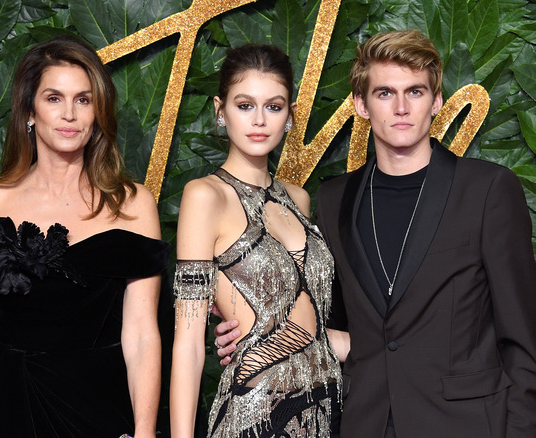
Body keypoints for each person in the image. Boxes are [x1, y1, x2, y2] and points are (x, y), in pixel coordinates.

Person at [216, 30, 536, 437]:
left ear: (436, 101)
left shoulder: (487, 189)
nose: (401, 108)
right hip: (363, 421)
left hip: (465, 424)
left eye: (415, 92)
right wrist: (250, 322)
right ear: (360, 105)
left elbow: (524, 340)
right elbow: (325, 321)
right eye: (384, 93)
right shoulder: (334, 199)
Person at [0, 35, 169, 438]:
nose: (70, 114)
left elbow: (143, 334)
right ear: (29, 110)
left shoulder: (132, 204)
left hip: (99, 406)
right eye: (54, 98)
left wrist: (145, 433)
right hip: (9, 404)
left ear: (97, 114)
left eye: (84, 99)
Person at [170, 44, 342, 438]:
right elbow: (189, 342)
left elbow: (310, 322)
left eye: (274, 106)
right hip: (254, 418)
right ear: (220, 109)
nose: (260, 120)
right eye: (245, 105)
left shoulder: (298, 199)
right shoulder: (205, 197)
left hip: (325, 412)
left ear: (290, 114)